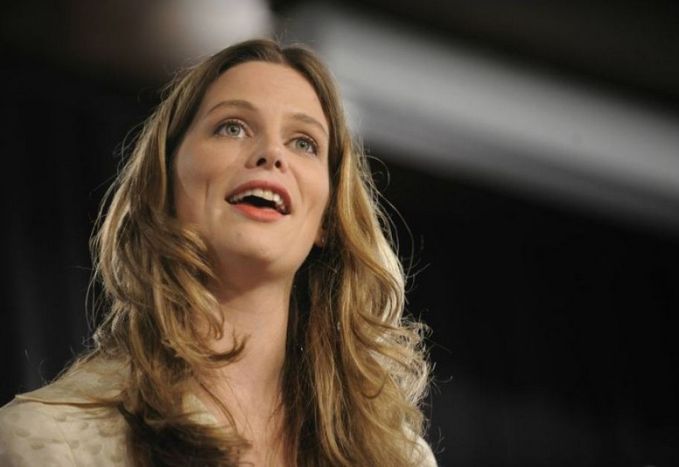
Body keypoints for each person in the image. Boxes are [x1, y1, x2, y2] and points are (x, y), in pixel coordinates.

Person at [0, 39, 435, 466]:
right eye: (232, 127)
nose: (271, 154)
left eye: (304, 142)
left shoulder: (398, 457)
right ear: (163, 183)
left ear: (327, 218)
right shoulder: (48, 443)